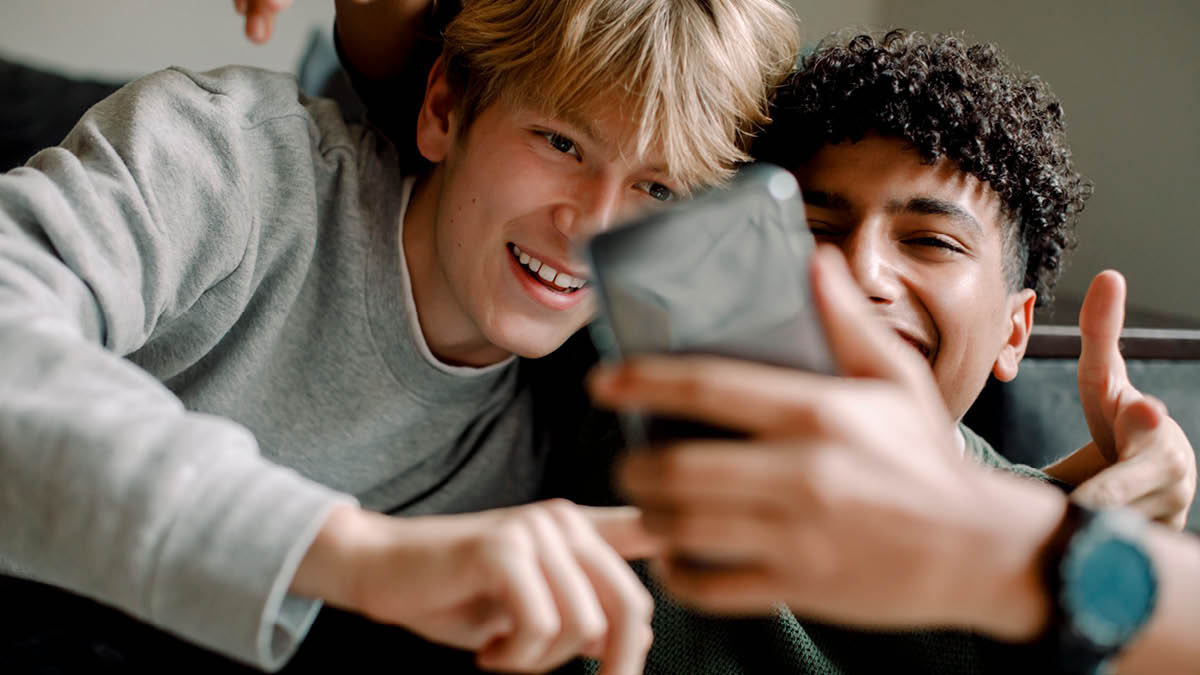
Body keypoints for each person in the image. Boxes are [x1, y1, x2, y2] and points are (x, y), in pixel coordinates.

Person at [0, 0, 802, 673]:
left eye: (656, 188)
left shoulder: (549, 443)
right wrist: (356, 555)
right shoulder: (231, 159)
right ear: (445, 108)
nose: (591, 224)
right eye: (561, 142)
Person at [590, 30, 1199, 673]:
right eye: (814, 230)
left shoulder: (1080, 548)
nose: (861, 273)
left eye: (932, 240)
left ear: (1013, 332)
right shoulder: (641, 464)